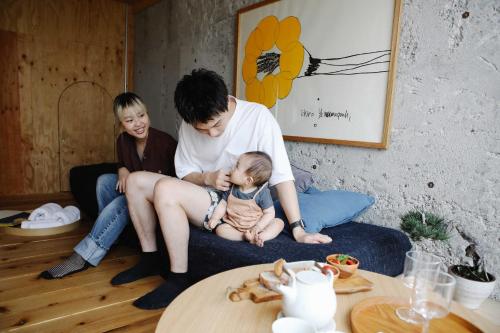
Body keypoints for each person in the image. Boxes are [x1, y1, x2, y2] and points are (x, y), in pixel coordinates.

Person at [111, 69, 332, 310]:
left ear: (226, 101)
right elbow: (184, 173)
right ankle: (150, 258)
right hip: (204, 192)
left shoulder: (258, 117)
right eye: (202, 130)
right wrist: (207, 177)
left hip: (232, 203)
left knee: (165, 187)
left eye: (216, 125)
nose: (212, 134)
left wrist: (298, 229)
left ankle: (177, 279)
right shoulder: (188, 123)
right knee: (134, 181)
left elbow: (282, 176)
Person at [40, 92, 177, 279]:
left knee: (120, 204)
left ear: (147, 114)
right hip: (134, 192)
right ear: (121, 124)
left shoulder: (166, 142)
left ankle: (84, 255)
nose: (138, 123)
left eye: (141, 116)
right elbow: (123, 164)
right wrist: (122, 169)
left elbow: (177, 182)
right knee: (104, 181)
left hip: (159, 198)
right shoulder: (123, 141)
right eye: (129, 120)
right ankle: (111, 234)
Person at [206, 151, 284, 247]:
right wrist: (215, 218)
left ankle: (262, 237)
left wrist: (258, 227)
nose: (232, 168)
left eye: (237, 166)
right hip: (234, 225)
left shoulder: (262, 193)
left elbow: (269, 213)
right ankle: (243, 237)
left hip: (256, 225)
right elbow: (223, 204)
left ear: (248, 180)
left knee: (279, 223)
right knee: (220, 230)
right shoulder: (232, 187)